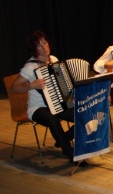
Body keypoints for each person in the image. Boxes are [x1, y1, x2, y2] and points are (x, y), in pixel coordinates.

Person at [9, 31, 79, 164]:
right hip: (38, 108)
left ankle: (62, 139)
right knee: (52, 120)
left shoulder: (54, 59)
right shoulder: (30, 67)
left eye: (45, 43)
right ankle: (70, 153)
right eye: (39, 45)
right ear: (34, 49)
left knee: (82, 114)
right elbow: (13, 89)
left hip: (57, 104)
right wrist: (31, 85)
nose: (44, 47)